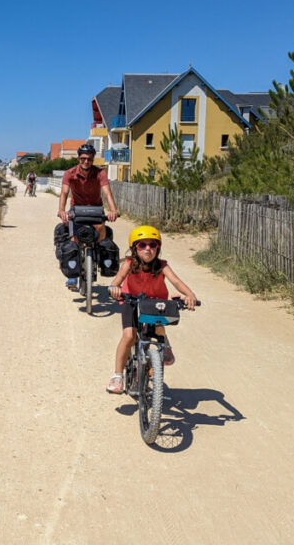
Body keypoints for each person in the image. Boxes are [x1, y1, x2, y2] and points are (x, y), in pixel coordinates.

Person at [105, 225, 197, 394]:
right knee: (129, 335)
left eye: (152, 245)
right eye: (142, 245)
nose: (148, 249)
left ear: (158, 248)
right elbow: (118, 279)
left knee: (158, 326)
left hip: (154, 302)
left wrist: (190, 295)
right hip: (130, 301)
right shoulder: (129, 263)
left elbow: (176, 281)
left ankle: (162, 350)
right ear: (134, 248)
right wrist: (114, 287)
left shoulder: (162, 266)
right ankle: (117, 376)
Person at [56, 144, 120, 290]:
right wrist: (62, 211)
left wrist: (113, 210)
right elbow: (64, 193)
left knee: (101, 231)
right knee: (74, 238)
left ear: (93, 160)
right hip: (76, 210)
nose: (86, 162)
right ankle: (73, 276)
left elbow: (107, 193)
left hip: (96, 209)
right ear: (78, 158)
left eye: (89, 159)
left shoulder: (100, 173)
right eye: (83, 158)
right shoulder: (70, 173)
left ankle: (98, 255)